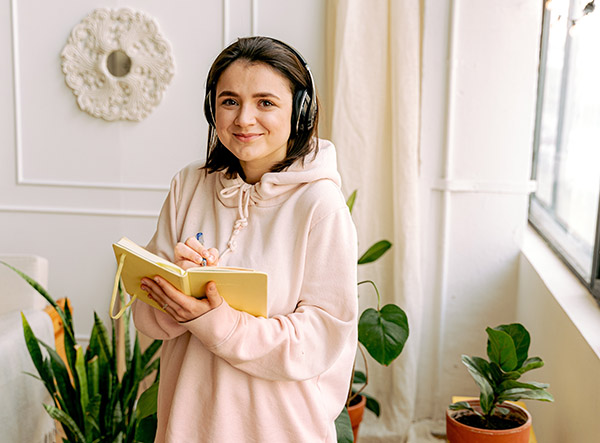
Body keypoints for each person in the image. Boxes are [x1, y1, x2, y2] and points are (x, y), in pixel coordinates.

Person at [132, 36, 358, 442]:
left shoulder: (321, 205)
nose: (244, 119)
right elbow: (145, 318)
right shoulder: (188, 186)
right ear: (212, 107)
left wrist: (215, 321)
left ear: (300, 111)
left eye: (266, 102)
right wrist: (173, 291)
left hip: (280, 427)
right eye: (230, 101)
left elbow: (318, 340)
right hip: (189, 423)